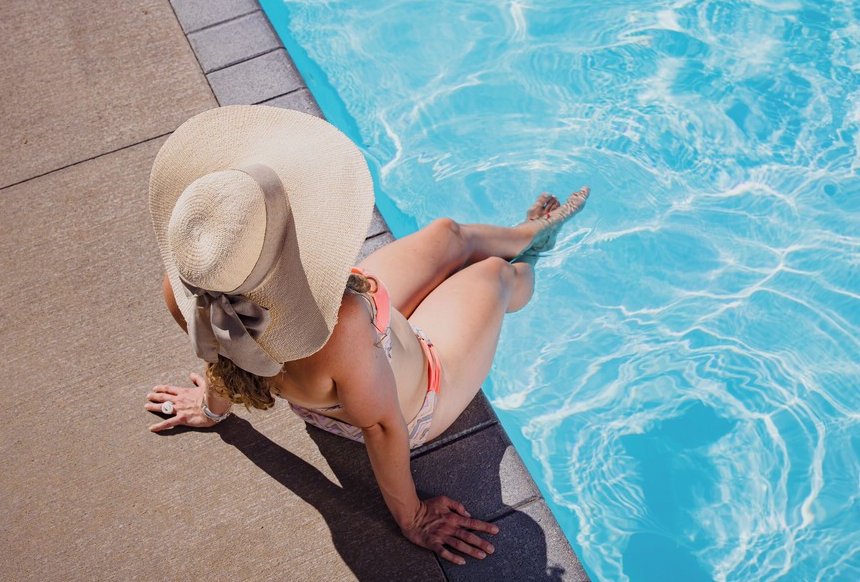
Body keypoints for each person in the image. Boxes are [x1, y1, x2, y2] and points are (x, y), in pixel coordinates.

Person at [143, 105, 587, 565]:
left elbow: (225, 350)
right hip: (417, 393)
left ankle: (525, 232)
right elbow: (381, 424)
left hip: (370, 350)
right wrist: (412, 517)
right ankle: (531, 259)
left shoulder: (189, 288)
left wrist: (213, 410)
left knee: (448, 235)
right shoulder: (343, 324)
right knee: (494, 275)